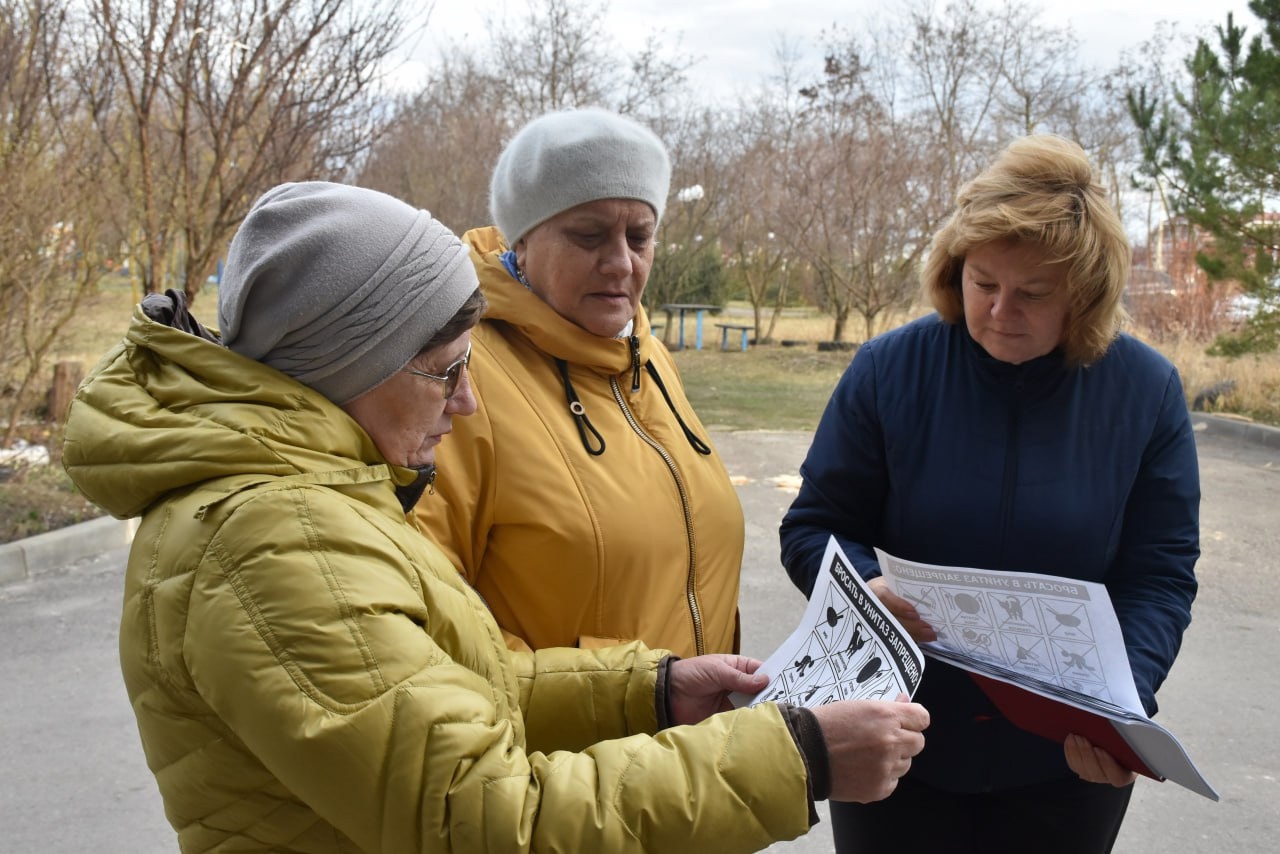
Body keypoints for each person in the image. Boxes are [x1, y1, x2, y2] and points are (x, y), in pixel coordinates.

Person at [62, 181, 929, 852]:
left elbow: (434, 691)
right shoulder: (274, 543)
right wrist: (798, 756)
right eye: (444, 369)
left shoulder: (319, 493)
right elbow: (482, 818)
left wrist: (649, 690)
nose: (469, 402)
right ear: (344, 363)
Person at [778, 135, 1200, 854]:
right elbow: (814, 525)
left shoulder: (1145, 391)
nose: (1002, 310)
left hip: (1063, 759)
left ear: (1086, 294)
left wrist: (1123, 700)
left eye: (1034, 293)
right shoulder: (890, 370)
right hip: (898, 742)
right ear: (954, 270)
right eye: (982, 283)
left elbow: (1159, 571)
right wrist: (861, 587)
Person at [417, 107, 743, 658]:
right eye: (589, 235)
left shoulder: (649, 356)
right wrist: (639, 694)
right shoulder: (461, 377)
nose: (620, 263)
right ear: (521, 241)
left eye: (639, 237)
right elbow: (433, 620)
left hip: (707, 735)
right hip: (571, 742)